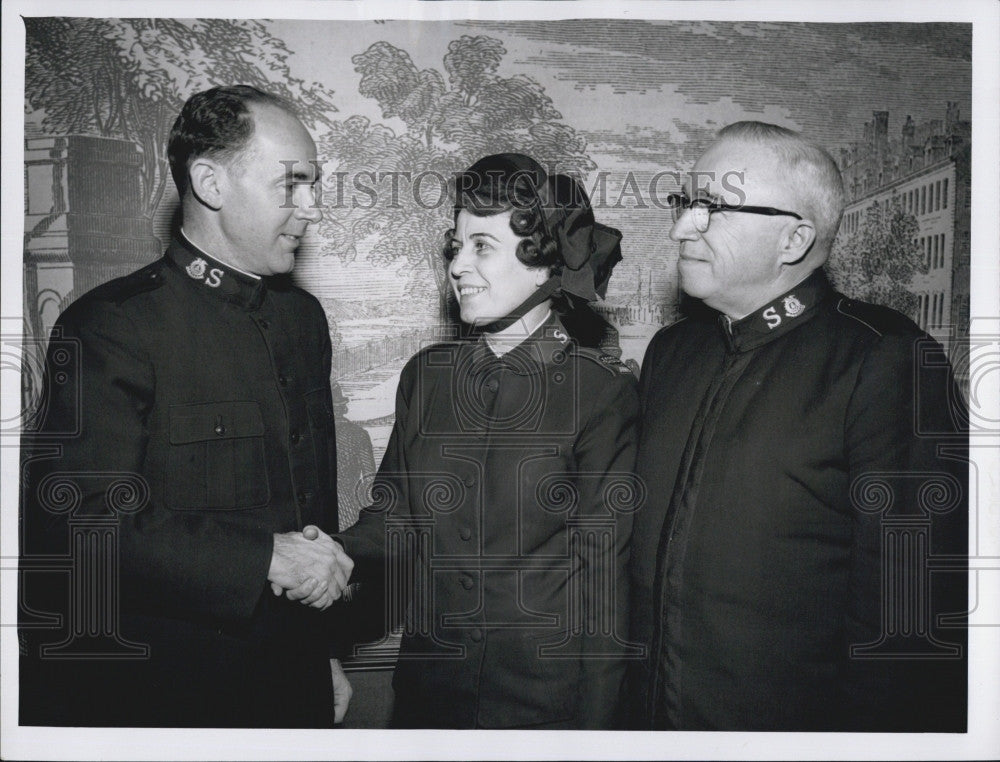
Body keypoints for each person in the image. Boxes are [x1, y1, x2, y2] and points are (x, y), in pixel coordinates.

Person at [19, 85, 354, 727]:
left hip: (292, 683)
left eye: (313, 185)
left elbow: (312, 506)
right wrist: (263, 557)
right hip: (167, 699)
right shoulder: (111, 327)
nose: (312, 209)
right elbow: (76, 525)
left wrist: (323, 654)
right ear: (210, 182)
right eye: (292, 185)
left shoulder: (302, 320)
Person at [627, 121, 968, 731]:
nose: (683, 227)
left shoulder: (884, 359)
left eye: (714, 208)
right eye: (685, 204)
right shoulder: (672, 353)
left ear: (794, 239)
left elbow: (908, 627)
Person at [333, 153, 640, 729]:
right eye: (455, 245)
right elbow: (393, 517)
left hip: (544, 709)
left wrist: (596, 736)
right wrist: (334, 553)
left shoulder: (600, 396)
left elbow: (605, 584)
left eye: (481, 246)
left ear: (544, 263)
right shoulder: (426, 378)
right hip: (429, 696)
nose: (457, 265)